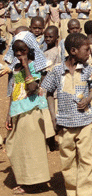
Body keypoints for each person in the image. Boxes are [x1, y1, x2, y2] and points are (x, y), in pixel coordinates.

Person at [42, 33, 92, 196]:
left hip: (85, 122)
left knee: (87, 159)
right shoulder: (57, 70)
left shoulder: (88, 69)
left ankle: (85, 192)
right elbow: (49, 92)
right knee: (68, 160)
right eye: (86, 50)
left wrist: (88, 99)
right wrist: (54, 118)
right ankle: (72, 191)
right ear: (73, 51)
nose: (89, 53)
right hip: (65, 124)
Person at [5, 32, 50, 194]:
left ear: (29, 50)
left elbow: (32, 88)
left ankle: (34, 182)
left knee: (32, 147)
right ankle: (25, 179)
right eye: (16, 51)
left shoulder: (34, 66)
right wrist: (8, 115)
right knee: (18, 147)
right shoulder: (15, 68)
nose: (18, 54)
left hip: (31, 112)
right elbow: (13, 91)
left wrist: (25, 66)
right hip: (18, 111)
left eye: (22, 51)